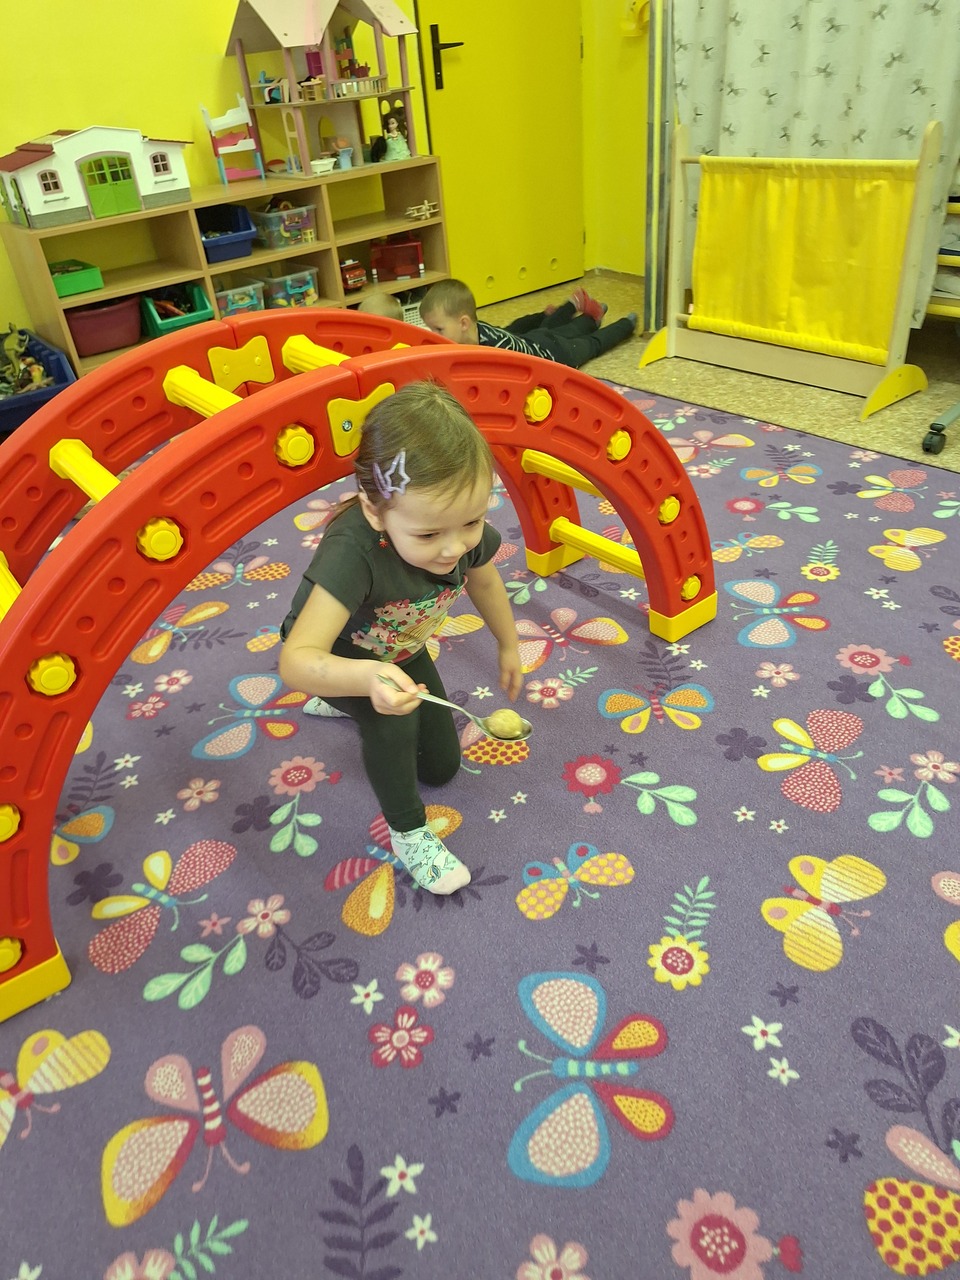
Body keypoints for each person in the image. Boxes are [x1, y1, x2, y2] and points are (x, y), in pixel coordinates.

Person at [278, 381, 522, 896]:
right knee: (392, 723)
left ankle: (346, 703)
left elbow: (484, 580)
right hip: (339, 656)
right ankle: (409, 834)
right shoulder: (353, 553)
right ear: (375, 510)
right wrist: (366, 680)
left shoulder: (456, 531)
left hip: (400, 650)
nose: (453, 549)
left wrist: (508, 644)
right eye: (429, 535)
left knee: (441, 767)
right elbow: (296, 660)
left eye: (472, 522)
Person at [420, 278, 638, 370]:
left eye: (438, 329)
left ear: (464, 323)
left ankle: (626, 324)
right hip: (537, 338)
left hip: (555, 355)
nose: (433, 334)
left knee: (591, 345)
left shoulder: (495, 347)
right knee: (571, 330)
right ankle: (592, 317)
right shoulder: (472, 332)